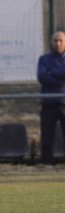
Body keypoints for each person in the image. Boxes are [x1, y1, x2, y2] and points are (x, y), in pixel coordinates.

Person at [37, 31, 65, 165]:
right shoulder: (44, 59)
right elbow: (42, 77)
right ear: (51, 42)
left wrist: (52, 72)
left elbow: (48, 75)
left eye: (60, 40)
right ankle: (47, 163)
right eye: (55, 40)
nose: (58, 43)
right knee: (47, 136)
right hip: (48, 103)